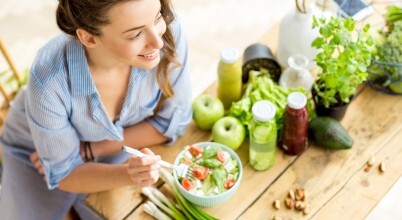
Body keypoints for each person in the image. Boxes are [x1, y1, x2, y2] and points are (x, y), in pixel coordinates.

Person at [0, 0, 192, 219]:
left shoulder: (167, 32)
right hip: (34, 153)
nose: (158, 41)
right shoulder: (49, 79)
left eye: (157, 17)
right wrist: (127, 173)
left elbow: (173, 122)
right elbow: (65, 173)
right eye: (135, 35)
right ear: (89, 38)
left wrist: (91, 150)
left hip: (115, 149)